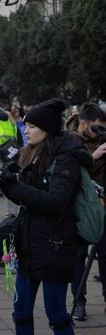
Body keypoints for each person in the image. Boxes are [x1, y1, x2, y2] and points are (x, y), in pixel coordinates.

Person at [0, 98, 92, 334]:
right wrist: (5, 184)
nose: (25, 130)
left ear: (46, 129)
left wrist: (14, 188)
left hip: (56, 245)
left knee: (57, 316)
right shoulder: (30, 154)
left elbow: (56, 201)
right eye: (25, 126)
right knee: (21, 314)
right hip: (29, 245)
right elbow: (26, 200)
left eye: (31, 126)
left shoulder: (66, 158)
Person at [69, 102, 106, 321]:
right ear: (83, 123)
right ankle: (79, 301)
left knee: (105, 255)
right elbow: (71, 171)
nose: (100, 132)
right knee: (78, 257)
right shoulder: (69, 141)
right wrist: (95, 155)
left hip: (103, 206)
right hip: (80, 208)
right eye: (97, 128)